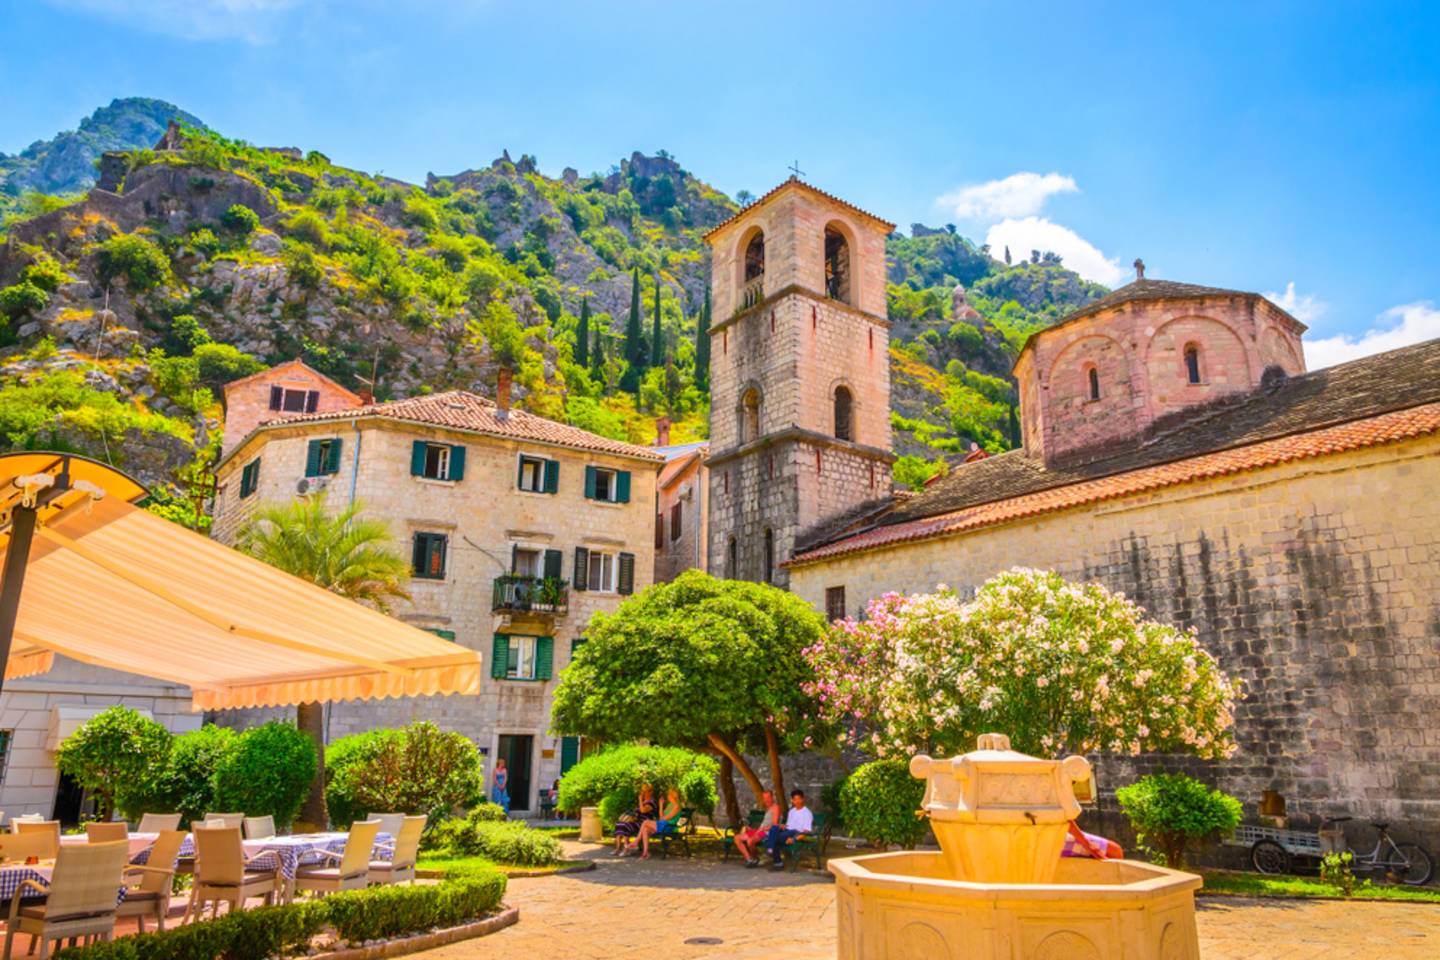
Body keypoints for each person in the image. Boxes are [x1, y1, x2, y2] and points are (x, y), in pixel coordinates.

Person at [765, 789, 814, 870]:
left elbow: (806, 831)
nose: (797, 801)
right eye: (795, 799)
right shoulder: (792, 811)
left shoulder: (807, 813)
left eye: (799, 799)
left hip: (796, 833)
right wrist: (783, 826)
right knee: (774, 828)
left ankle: (776, 861)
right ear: (792, 800)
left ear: (803, 799)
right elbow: (788, 826)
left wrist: (794, 839)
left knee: (774, 838)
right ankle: (771, 850)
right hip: (787, 831)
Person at [734, 789, 782, 867]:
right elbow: (764, 824)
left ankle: (755, 858)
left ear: (772, 797)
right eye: (765, 798)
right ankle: (749, 859)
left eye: (768, 797)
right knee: (737, 838)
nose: (766, 800)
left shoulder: (776, 807)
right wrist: (752, 829)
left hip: (766, 832)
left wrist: (763, 829)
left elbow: (775, 824)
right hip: (759, 830)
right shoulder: (768, 808)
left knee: (750, 841)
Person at [611, 783, 656, 856]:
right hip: (636, 821)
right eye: (642, 791)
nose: (643, 793)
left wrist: (640, 800)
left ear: (651, 792)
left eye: (645, 791)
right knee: (619, 824)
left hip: (644, 823)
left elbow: (642, 811)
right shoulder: (644, 801)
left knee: (626, 825)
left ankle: (626, 849)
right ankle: (618, 848)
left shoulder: (652, 802)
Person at [638, 787, 682, 860]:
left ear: (672, 796)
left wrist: (663, 818)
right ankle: (645, 853)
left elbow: (666, 818)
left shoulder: (677, 806)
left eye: (668, 794)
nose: (667, 796)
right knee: (645, 829)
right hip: (663, 825)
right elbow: (662, 817)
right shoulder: (669, 805)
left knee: (646, 822)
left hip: (668, 827)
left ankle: (637, 841)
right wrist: (661, 805)